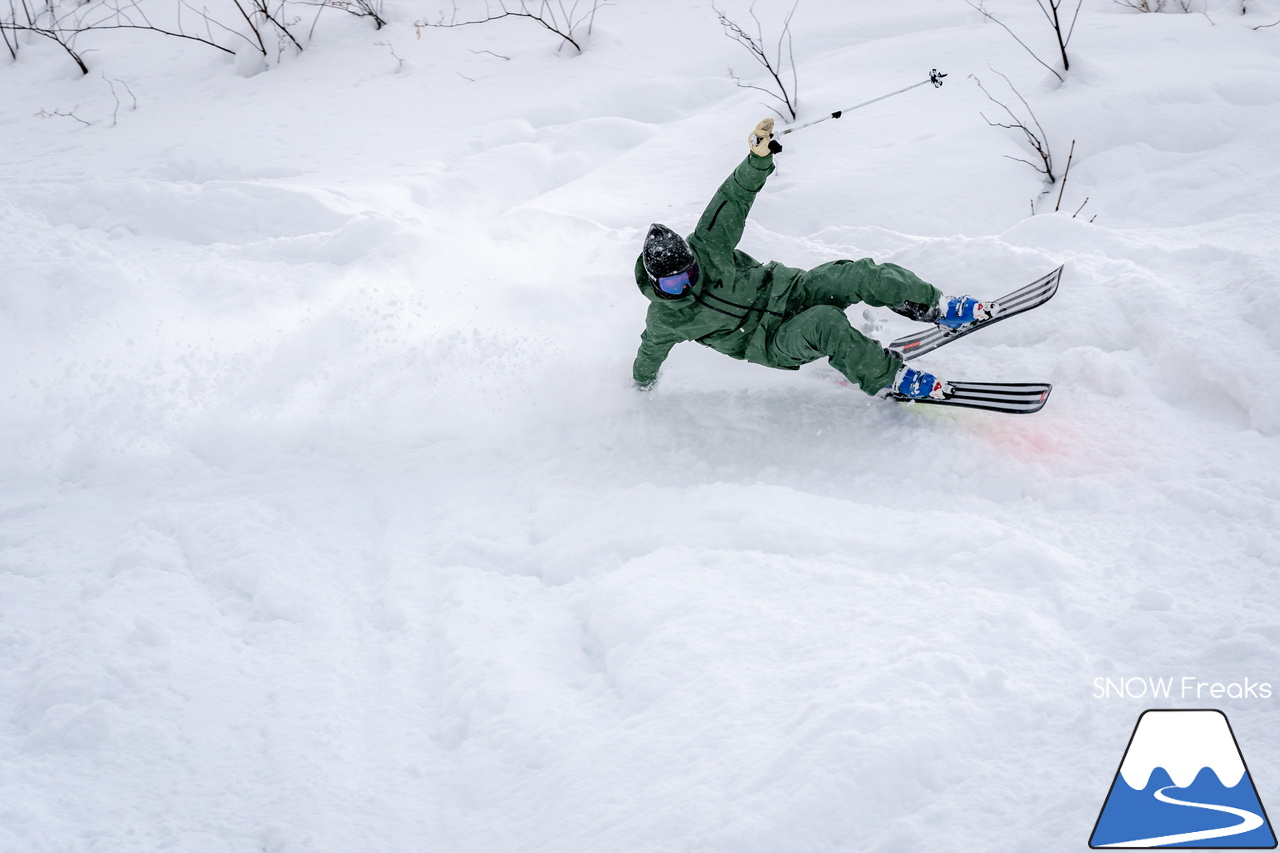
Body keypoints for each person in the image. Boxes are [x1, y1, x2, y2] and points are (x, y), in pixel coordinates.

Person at [632, 118, 990, 400]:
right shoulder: (665, 318)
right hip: (771, 341)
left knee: (858, 275)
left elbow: (733, 197)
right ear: (656, 283)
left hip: (792, 289)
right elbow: (649, 352)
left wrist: (758, 160)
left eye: (689, 273)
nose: (687, 284)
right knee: (824, 322)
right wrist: (640, 388)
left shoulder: (708, 245)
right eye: (674, 283)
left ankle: (937, 308)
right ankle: (889, 378)